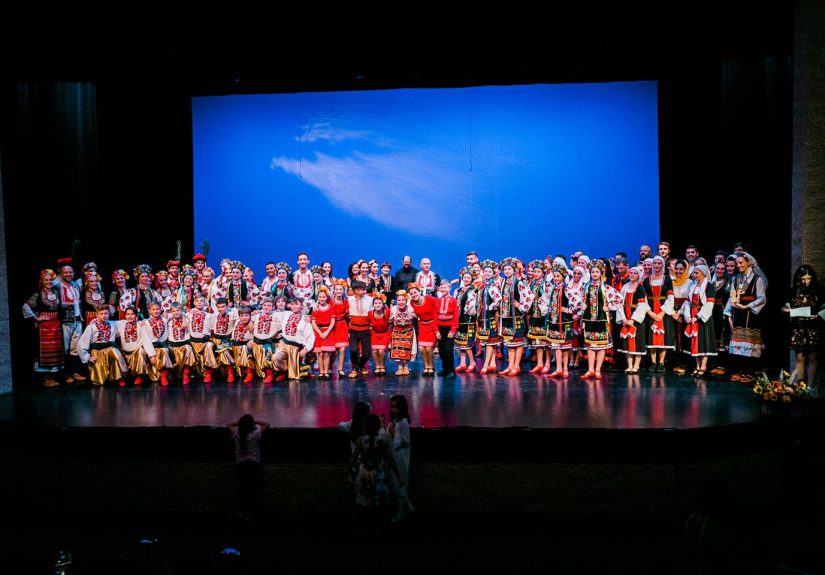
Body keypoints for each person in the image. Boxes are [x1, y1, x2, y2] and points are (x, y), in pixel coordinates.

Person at [347, 413, 402, 532]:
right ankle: (377, 529)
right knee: (378, 505)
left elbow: (353, 459)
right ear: (378, 427)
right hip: (378, 475)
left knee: (362, 503)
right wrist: (399, 476)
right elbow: (390, 460)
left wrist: (347, 471)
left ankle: (363, 528)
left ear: (364, 427)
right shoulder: (382, 441)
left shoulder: (361, 440)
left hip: (364, 475)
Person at [724, 253, 767, 384]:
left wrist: (747, 306)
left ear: (748, 262)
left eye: (741, 262)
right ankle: (740, 370)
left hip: (750, 314)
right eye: (737, 263)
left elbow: (762, 298)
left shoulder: (757, 279)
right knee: (738, 342)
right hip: (738, 313)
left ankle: (750, 372)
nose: (738, 265)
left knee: (749, 342)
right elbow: (732, 296)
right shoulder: (737, 279)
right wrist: (731, 309)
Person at [22, 269, 64, 386]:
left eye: (50, 280)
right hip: (44, 327)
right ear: (42, 281)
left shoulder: (56, 292)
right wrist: (36, 318)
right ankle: (45, 378)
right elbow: (26, 306)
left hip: (56, 324)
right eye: (46, 280)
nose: (49, 282)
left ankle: (52, 377)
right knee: (46, 349)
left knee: (55, 349)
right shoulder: (38, 294)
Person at [783, 265, 822, 387]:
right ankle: (800, 387)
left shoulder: (818, 291)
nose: (806, 282)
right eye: (803, 279)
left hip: (813, 327)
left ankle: (810, 387)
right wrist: (786, 310)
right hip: (798, 328)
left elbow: (823, 308)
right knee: (799, 357)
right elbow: (784, 307)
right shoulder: (793, 291)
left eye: (808, 278)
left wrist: (818, 315)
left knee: (812, 357)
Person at [228, 414, 269, 519]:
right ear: (251, 425)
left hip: (240, 465)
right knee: (254, 489)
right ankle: (252, 513)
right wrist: (255, 422)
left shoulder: (236, 433)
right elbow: (266, 424)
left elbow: (229, 424)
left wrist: (240, 424)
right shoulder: (255, 433)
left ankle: (239, 510)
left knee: (242, 487)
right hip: (253, 465)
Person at [77, 305, 128, 386]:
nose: (104, 316)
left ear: (109, 314)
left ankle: (120, 377)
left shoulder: (113, 324)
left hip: (109, 350)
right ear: (97, 315)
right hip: (97, 352)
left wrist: (142, 322)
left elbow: (127, 321)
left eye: (106, 313)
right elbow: (81, 343)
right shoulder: (91, 327)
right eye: (101, 314)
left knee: (115, 352)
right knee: (99, 382)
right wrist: (87, 357)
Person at [681, 264, 717, 376]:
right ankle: (697, 366)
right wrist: (687, 315)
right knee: (694, 340)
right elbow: (688, 302)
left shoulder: (709, 286)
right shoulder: (693, 285)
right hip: (692, 314)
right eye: (694, 273)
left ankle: (703, 366)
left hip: (703, 316)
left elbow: (709, 304)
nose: (694, 275)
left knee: (703, 341)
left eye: (697, 273)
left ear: (704, 273)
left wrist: (698, 317)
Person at [388, 394, 414, 523]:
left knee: (400, 485)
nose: (392, 410)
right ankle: (407, 507)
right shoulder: (394, 422)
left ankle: (401, 513)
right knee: (395, 484)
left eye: (395, 407)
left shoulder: (403, 422)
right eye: (391, 407)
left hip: (401, 459)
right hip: (394, 458)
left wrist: (394, 434)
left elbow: (405, 441)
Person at [409, 283, 439, 376]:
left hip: (432, 325)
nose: (414, 295)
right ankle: (426, 367)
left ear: (419, 292)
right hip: (422, 326)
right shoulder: (412, 303)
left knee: (429, 348)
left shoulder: (429, 299)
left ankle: (431, 366)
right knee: (421, 348)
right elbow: (414, 313)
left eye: (415, 292)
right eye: (411, 294)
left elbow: (439, 306)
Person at [453, 267, 478, 373]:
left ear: (472, 279)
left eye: (468, 277)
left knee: (467, 343)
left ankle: (472, 362)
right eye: (465, 277)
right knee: (460, 342)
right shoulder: (458, 290)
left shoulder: (473, 290)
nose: (466, 279)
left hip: (468, 320)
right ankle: (462, 363)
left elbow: (472, 306)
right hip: (459, 319)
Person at [346, 280, 373, 378]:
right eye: (362, 289)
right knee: (353, 350)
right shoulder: (349, 300)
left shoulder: (370, 299)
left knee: (367, 353)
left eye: (365, 289)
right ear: (356, 290)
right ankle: (354, 368)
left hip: (366, 329)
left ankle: (360, 366)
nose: (365, 291)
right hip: (353, 329)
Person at [311, 287, 336, 379]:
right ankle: (321, 372)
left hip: (327, 331)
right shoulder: (316, 309)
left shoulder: (331, 307)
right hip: (319, 332)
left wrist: (327, 332)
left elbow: (333, 321)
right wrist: (319, 332)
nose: (322, 299)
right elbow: (313, 322)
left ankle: (326, 372)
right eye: (320, 297)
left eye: (323, 297)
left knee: (326, 353)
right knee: (320, 353)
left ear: (326, 298)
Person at [435, 281, 459, 379]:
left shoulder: (453, 301)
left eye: (445, 287)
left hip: (449, 328)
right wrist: (436, 330)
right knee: (441, 350)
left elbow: (456, 316)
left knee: (448, 350)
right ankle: (445, 368)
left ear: (449, 288)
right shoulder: (438, 300)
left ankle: (451, 370)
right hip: (440, 328)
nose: (443, 289)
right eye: (442, 287)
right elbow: (435, 316)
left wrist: (453, 330)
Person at [390, 290, 416, 376]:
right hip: (397, 331)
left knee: (407, 348)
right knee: (397, 349)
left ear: (406, 300)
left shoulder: (411, 309)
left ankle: (406, 366)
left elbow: (418, 316)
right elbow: (390, 320)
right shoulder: (393, 309)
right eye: (399, 300)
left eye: (403, 300)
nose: (401, 302)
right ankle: (400, 367)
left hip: (408, 330)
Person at [368, 293, 391, 375]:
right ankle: (377, 366)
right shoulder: (370, 313)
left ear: (383, 304)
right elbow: (368, 323)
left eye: (379, 303)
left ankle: (382, 366)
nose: (377, 305)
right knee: (374, 351)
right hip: (374, 334)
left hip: (385, 334)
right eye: (376, 303)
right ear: (373, 304)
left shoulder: (387, 312)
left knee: (381, 351)